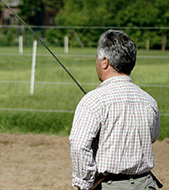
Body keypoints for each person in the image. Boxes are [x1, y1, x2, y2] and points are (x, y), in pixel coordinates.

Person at [69, 30, 160, 190]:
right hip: (146, 184)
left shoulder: (93, 101)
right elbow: (151, 137)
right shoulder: (149, 101)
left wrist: (84, 182)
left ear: (105, 62)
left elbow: (79, 145)